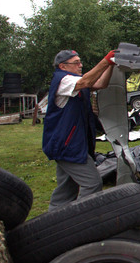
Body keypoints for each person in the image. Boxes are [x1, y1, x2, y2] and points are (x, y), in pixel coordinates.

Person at [42, 49, 117, 209]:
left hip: (72, 143)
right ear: (63, 66)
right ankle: (82, 220)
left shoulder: (75, 81)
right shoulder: (63, 80)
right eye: (76, 63)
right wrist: (106, 61)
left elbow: (100, 83)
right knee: (92, 183)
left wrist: (111, 65)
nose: (80, 65)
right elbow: (86, 82)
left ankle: (54, 222)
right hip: (67, 145)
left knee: (66, 190)